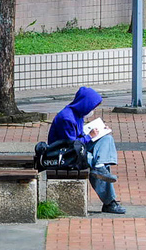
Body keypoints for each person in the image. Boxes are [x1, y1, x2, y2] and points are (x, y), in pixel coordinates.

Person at [47, 86, 126, 214]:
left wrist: (97, 132)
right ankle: (109, 202)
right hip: (65, 154)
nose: (93, 110)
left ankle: (100, 166)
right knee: (94, 162)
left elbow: (78, 136)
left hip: (76, 148)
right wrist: (90, 137)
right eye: (92, 107)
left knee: (107, 139)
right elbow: (71, 144)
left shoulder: (77, 113)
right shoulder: (66, 118)